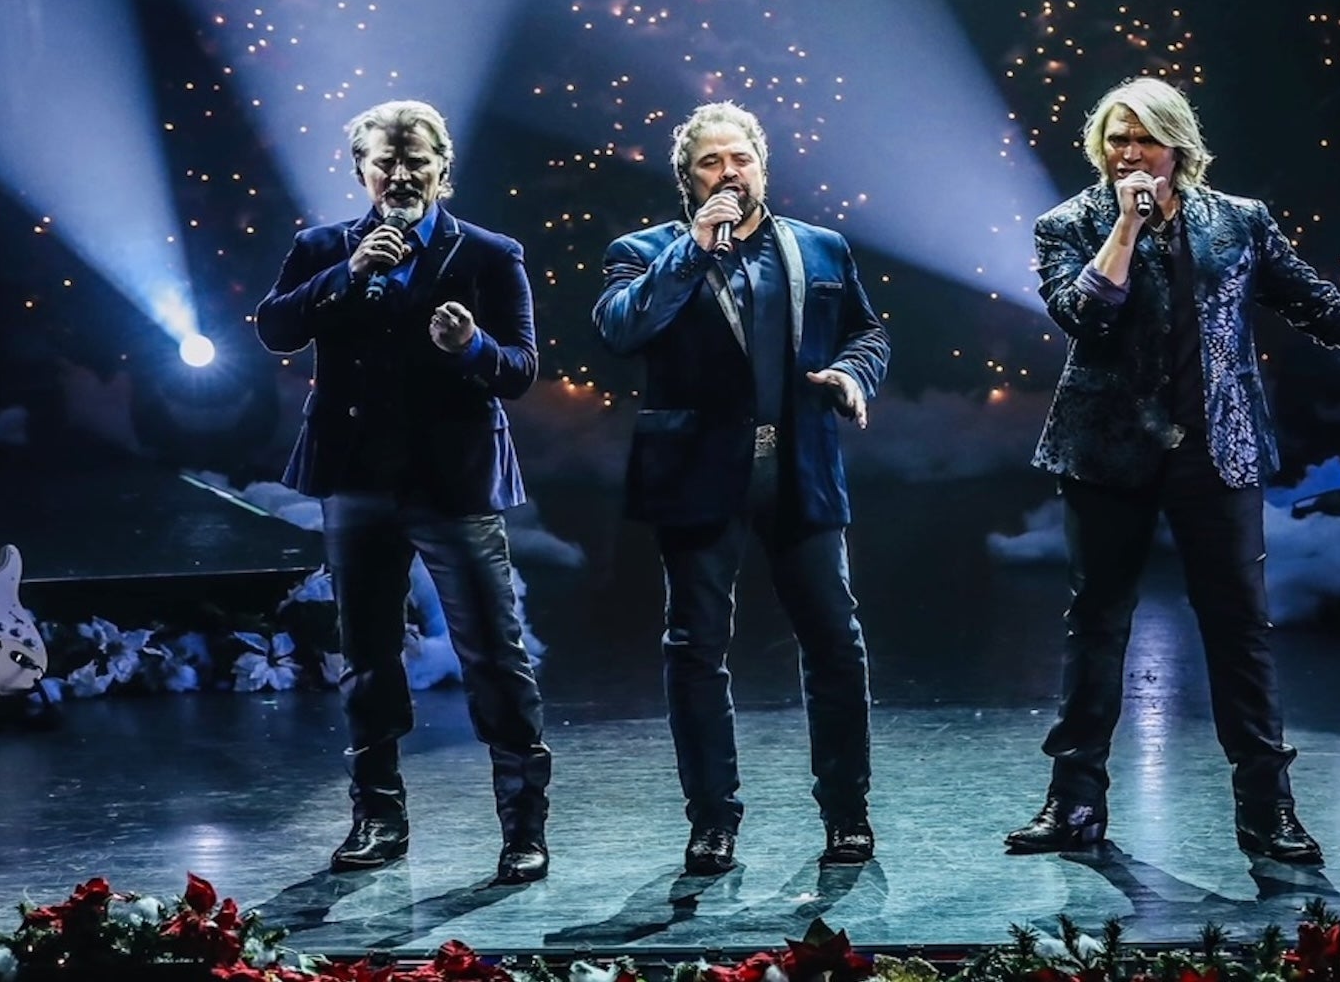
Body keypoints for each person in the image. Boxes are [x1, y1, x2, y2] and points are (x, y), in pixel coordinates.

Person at [1004, 77, 1340, 864]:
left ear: (1177, 145)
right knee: (1097, 626)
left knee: (1240, 632)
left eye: (1144, 137)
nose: (1129, 152)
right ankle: (1074, 802)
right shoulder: (1069, 226)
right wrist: (1124, 226)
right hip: (1106, 453)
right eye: (1116, 138)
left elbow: (1326, 311)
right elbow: (1084, 315)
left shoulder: (1239, 223)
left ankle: (1266, 809)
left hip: (1217, 449)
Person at [255, 99, 551, 883]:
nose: (399, 174)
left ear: (442, 170)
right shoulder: (324, 248)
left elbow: (521, 369)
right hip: (354, 477)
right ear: (361, 172)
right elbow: (274, 328)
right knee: (368, 654)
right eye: (384, 161)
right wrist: (343, 277)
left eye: (414, 159)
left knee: (493, 650)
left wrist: (471, 345)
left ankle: (523, 825)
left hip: (451, 480)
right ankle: (377, 817)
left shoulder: (489, 254)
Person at [593, 101, 889, 875]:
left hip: (800, 468)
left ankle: (847, 814)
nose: (730, 174)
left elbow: (868, 332)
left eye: (741, 159)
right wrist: (691, 252)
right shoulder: (643, 251)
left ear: (763, 164)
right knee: (696, 649)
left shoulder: (820, 248)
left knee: (836, 643)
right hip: (696, 475)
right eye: (711, 164)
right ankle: (713, 820)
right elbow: (623, 329)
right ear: (687, 181)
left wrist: (855, 375)